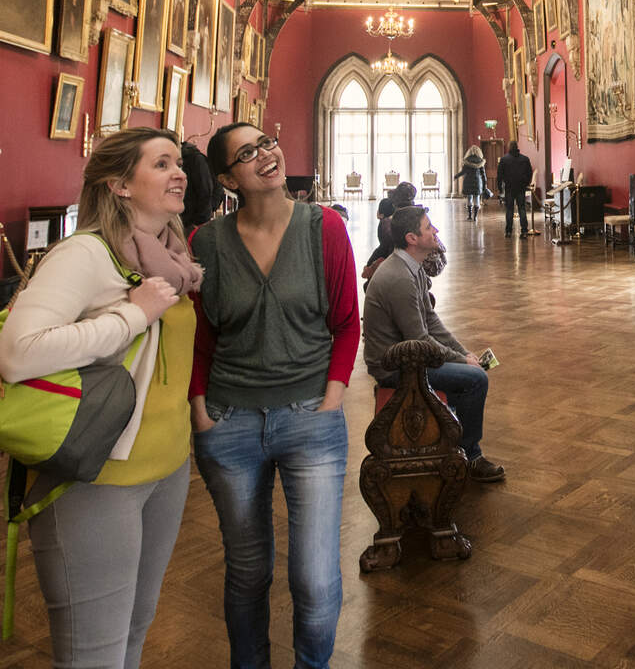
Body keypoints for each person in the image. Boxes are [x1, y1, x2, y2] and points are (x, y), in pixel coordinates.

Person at [0, 128, 201, 669]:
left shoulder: (171, 257)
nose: (179, 173)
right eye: (161, 164)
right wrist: (133, 315)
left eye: (178, 162)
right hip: (97, 478)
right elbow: (19, 353)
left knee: (134, 630)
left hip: (167, 468)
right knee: (94, 654)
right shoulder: (84, 253)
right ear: (120, 185)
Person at [190, 122, 360, 669]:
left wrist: (331, 400)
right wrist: (201, 413)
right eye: (247, 153)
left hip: (311, 418)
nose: (266, 154)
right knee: (246, 572)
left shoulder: (323, 227)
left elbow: (346, 322)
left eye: (267, 142)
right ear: (225, 177)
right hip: (228, 421)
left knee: (313, 578)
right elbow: (200, 337)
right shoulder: (207, 243)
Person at [362, 206, 504, 483]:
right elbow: (421, 340)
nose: (435, 231)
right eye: (429, 227)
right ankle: (470, 457)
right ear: (412, 238)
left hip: (409, 356)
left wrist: (463, 352)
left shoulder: (411, 268)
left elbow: (431, 321)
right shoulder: (399, 277)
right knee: (475, 379)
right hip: (393, 366)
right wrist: (462, 362)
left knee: (470, 372)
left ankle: (453, 445)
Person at [496, 141, 533, 237]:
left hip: (509, 188)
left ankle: (508, 231)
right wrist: (526, 183)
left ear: (509, 147)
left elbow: (499, 175)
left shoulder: (504, 160)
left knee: (509, 210)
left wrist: (500, 188)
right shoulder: (525, 159)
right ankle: (524, 231)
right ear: (517, 147)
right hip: (521, 187)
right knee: (522, 209)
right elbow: (529, 173)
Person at [455, 145, 486, 220]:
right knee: (477, 198)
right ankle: (475, 216)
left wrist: (456, 176)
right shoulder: (480, 161)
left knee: (469, 198)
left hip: (468, 181)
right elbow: (483, 174)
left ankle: (469, 215)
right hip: (477, 182)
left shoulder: (466, 160)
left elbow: (463, 172)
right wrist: (485, 184)